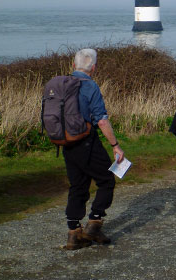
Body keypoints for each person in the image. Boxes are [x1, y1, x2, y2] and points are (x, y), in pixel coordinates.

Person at [64, 48, 124, 250]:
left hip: (66, 143)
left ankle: (73, 233)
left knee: (78, 185)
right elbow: (101, 120)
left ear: (73, 65)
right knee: (106, 180)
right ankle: (94, 224)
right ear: (94, 67)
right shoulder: (90, 86)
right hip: (87, 141)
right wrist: (115, 145)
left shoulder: (62, 83)